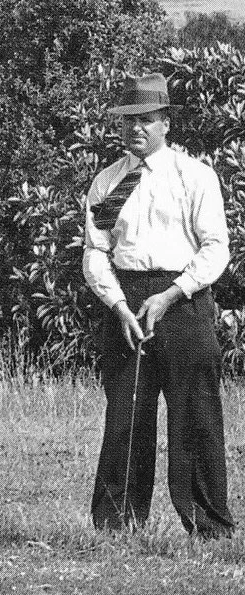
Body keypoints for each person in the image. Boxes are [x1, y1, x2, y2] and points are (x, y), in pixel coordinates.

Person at [82, 72, 233, 537]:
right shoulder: (108, 183)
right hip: (125, 307)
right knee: (126, 417)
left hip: (183, 302)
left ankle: (209, 527)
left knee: (195, 418)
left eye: (146, 120)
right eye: (128, 122)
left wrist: (170, 295)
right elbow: (95, 251)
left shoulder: (195, 176)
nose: (136, 130)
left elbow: (216, 248)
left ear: (166, 122)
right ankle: (118, 526)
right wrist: (118, 305)